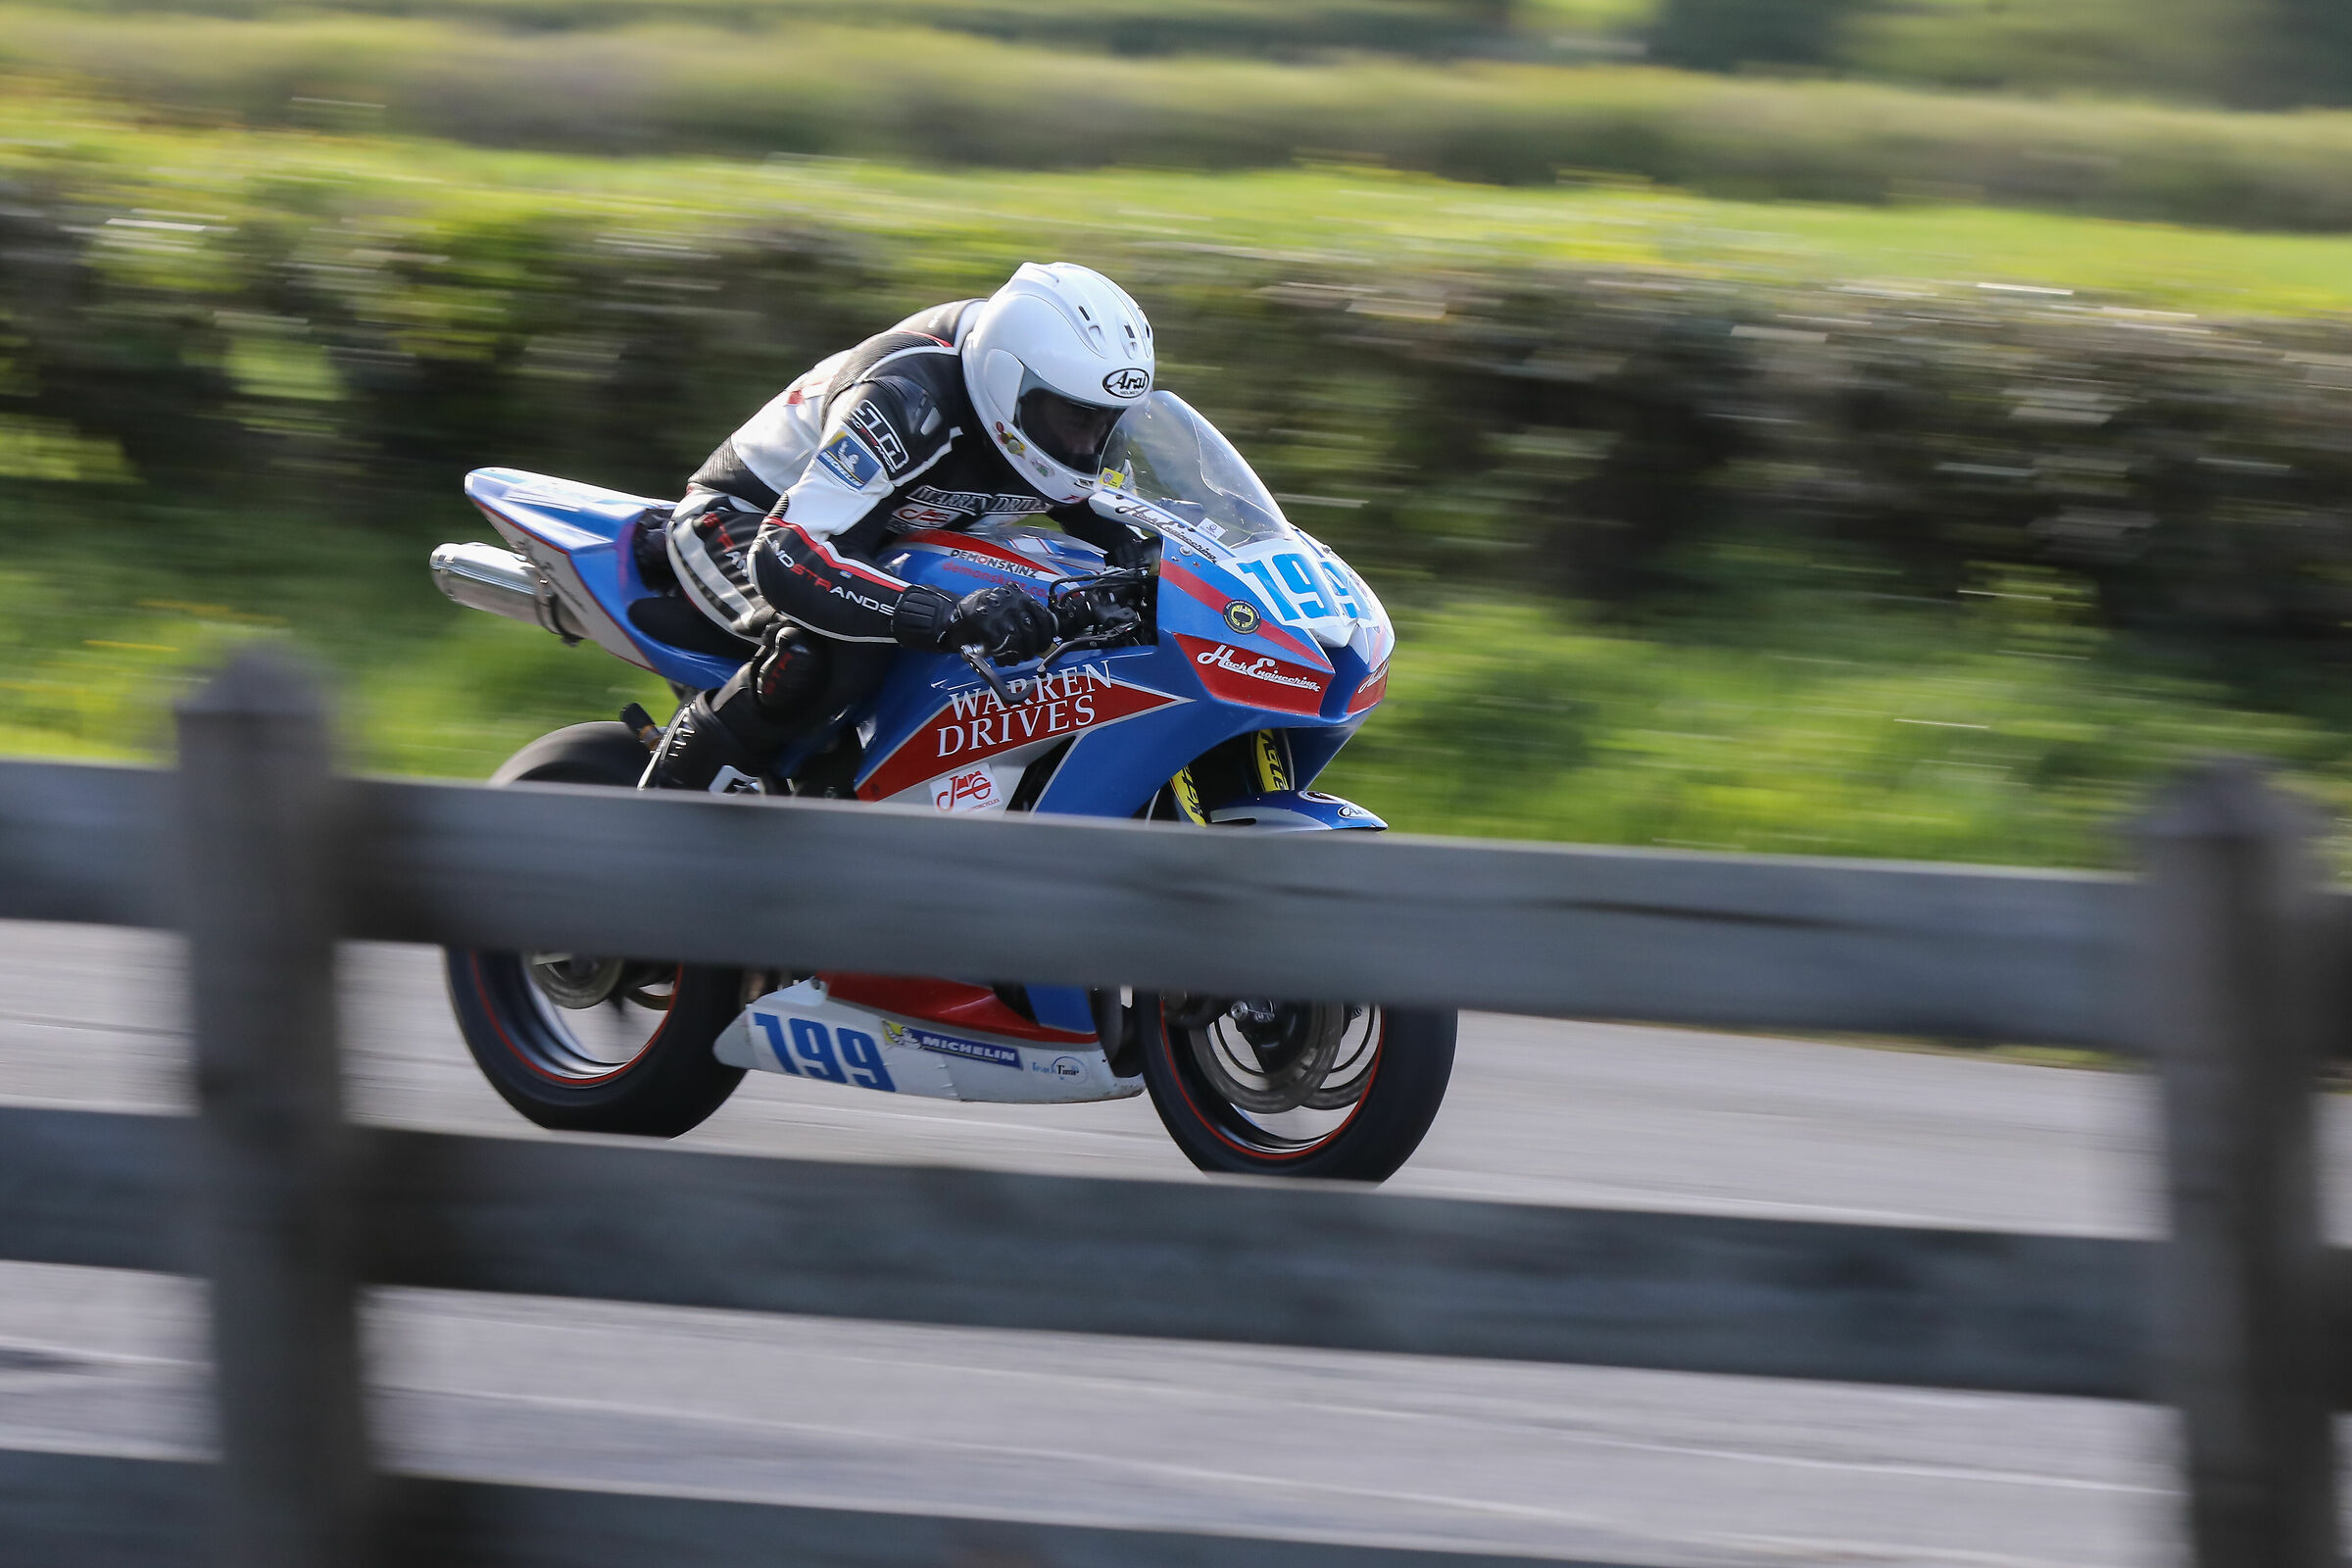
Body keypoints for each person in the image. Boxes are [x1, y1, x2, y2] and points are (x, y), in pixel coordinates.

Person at [637, 262, 1157, 794]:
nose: (1089, 442)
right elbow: (788, 554)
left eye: (1107, 420)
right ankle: (657, 812)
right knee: (826, 652)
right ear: (1008, 383)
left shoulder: (1064, 425)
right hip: (749, 525)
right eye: (1076, 417)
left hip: (887, 545)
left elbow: (1125, 524)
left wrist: (1155, 562)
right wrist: (950, 616)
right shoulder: (905, 397)